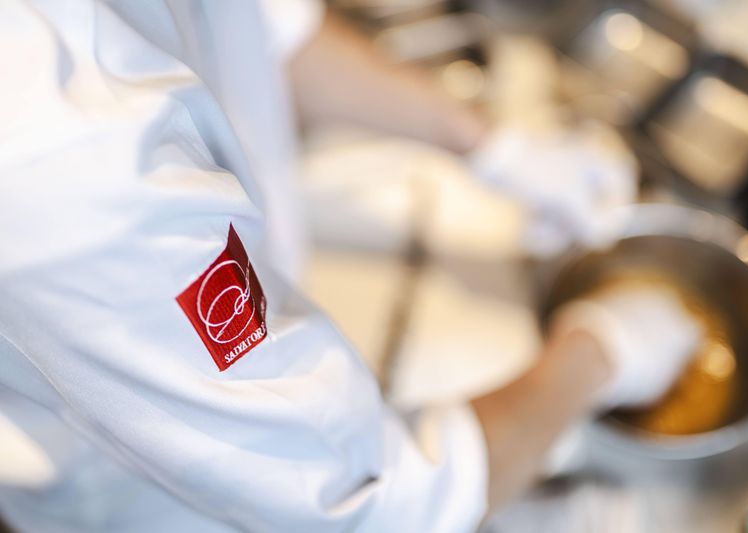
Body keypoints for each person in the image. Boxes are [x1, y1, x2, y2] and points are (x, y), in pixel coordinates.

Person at [0, 1, 700, 531]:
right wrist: (601, 351)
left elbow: (260, 23)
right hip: (156, 493)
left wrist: (490, 144)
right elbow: (369, 499)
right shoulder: (59, 167)